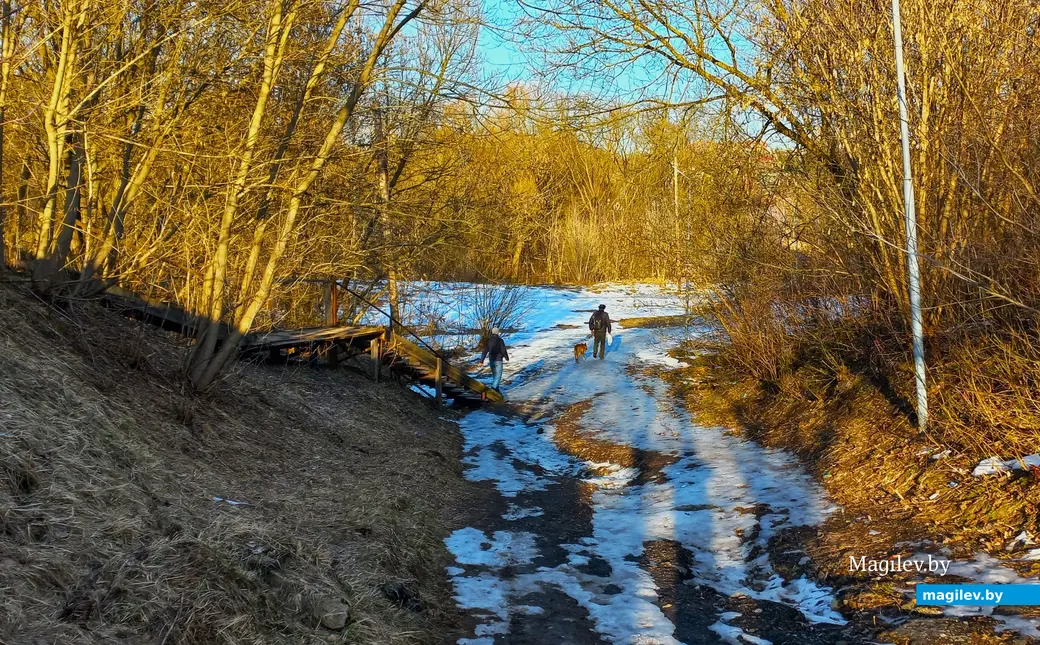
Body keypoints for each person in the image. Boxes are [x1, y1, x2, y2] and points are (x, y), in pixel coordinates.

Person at [480, 327, 509, 391]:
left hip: (491, 360)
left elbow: (484, 351)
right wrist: (506, 357)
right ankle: (493, 389)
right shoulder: (500, 341)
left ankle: (497, 390)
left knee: (495, 376)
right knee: (498, 376)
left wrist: (481, 360)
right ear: (497, 333)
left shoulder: (489, 341)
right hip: (498, 360)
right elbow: (503, 350)